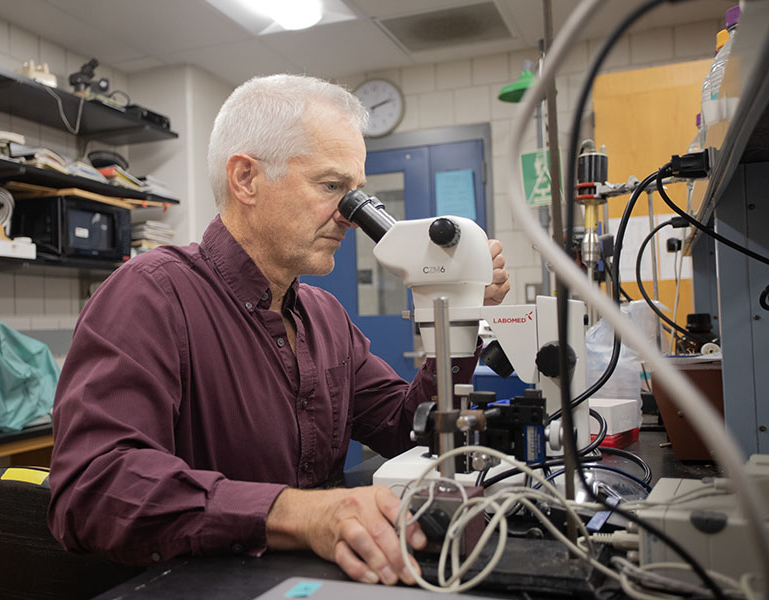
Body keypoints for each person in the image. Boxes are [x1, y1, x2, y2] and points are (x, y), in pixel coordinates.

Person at [48, 74, 511, 587]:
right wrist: (298, 514)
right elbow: (92, 490)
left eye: (356, 194)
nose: (351, 217)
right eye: (332, 187)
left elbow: (406, 427)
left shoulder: (325, 316)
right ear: (246, 178)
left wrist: (459, 312)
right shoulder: (150, 295)